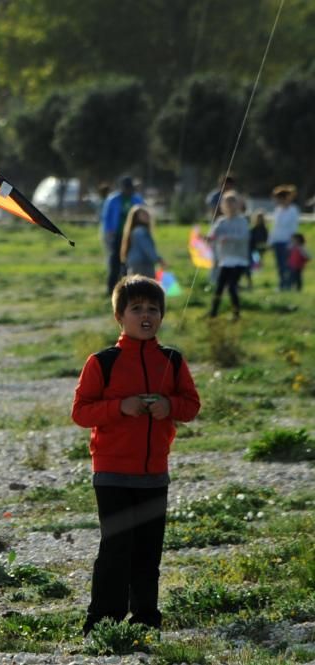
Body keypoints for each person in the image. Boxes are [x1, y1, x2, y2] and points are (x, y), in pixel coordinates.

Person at [72, 275, 200, 635]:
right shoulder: (103, 362)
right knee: (116, 548)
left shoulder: (172, 361)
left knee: (148, 550)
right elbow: (81, 412)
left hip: (154, 473)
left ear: (162, 315)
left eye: (153, 309)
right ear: (119, 316)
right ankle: (102, 621)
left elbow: (191, 405)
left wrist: (168, 405)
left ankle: (145, 618)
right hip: (111, 472)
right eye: (136, 309)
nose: (146, 316)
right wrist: (120, 408)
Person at [208, 191, 251, 319]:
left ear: (237, 205)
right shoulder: (221, 221)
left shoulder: (242, 221)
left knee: (232, 287)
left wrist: (228, 238)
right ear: (223, 206)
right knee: (219, 288)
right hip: (225, 260)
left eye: (232, 204)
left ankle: (236, 314)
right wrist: (207, 237)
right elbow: (213, 233)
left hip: (239, 260)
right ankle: (213, 313)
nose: (230, 207)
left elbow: (244, 237)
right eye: (227, 204)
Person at [100, 176, 144, 296]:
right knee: (115, 262)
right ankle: (111, 290)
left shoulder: (137, 199)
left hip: (132, 236)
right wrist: (108, 233)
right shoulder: (113, 199)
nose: (129, 191)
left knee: (129, 263)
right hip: (117, 235)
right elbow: (106, 218)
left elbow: (143, 215)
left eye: (130, 188)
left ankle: (126, 289)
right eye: (126, 188)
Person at [119, 205, 165, 278]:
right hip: (143, 265)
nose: (147, 215)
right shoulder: (140, 231)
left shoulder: (134, 231)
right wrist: (158, 259)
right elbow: (147, 248)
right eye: (143, 214)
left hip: (135, 264)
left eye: (146, 213)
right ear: (136, 218)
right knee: (146, 287)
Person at [269, 184, 300, 291]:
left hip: (287, 242)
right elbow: (274, 227)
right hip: (277, 241)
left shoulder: (293, 210)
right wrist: (271, 241)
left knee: (287, 265)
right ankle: (282, 284)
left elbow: (293, 228)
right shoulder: (277, 210)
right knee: (280, 266)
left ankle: (288, 285)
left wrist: (292, 243)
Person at [246, 213, 268, 289]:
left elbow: (265, 240)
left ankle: (252, 282)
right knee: (250, 266)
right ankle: (250, 282)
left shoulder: (264, 230)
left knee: (256, 267)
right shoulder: (253, 229)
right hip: (252, 250)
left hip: (258, 251)